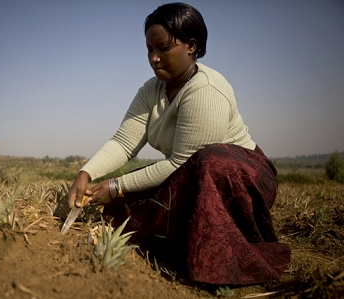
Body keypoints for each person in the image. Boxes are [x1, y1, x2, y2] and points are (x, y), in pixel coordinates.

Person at [67, 2, 290, 285]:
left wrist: (116, 186)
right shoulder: (151, 89)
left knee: (207, 160)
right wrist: (87, 173)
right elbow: (124, 142)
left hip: (239, 180)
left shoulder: (206, 89)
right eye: (149, 49)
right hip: (191, 173)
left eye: (162, 48)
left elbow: (181, 162)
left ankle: (220, 261)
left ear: (191, 45)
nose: (153, 58)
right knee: (125, 207)